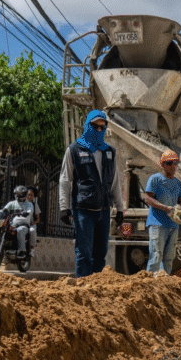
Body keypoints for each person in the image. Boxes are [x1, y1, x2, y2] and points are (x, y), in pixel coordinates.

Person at [59, 110, 125, 278]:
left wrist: (120, 208)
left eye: (102, 127)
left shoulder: (109, 152)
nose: (99, 130)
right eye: (95, 126)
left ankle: (97, 287)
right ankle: (83, 286)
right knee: (84, 253)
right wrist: (64, 207)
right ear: (87, 125)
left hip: (104, 210)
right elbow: (65, 180)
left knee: (100, 254)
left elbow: (115, 182)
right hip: (83, 210)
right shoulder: (74, 150)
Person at [143, 149, 181, 274]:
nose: (173, 166)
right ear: (162, 164)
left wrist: (179, 208)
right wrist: (165, 208)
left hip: (172, 225)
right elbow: (148, 198)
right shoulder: (155, 179)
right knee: (156, 256)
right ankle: (151, 281)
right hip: (157, 224)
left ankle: (164, 281)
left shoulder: (178, 183)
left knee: (169, 258)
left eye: (175, 164)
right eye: (169, 163)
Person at [0, 185, 34, 259]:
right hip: (12, 225)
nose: (19, 195)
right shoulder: (12, 203)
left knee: (20, 230)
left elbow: (29, 211)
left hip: (23, 225)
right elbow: (4, 210)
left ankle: (21, 251)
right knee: (3, 229)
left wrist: (25, 213)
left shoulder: (29, 204)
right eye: (18, 194)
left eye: (21, 194)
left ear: (24, 195)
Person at [26, 185, 41, 257]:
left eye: (31, 195)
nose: (29, 197)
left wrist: (33, 223)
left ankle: (32, 248)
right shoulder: (22, 203)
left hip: (30, 224)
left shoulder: (35, 205)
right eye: (28, 195)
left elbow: (38, 218)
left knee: (32, 231)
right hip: (22, 223)